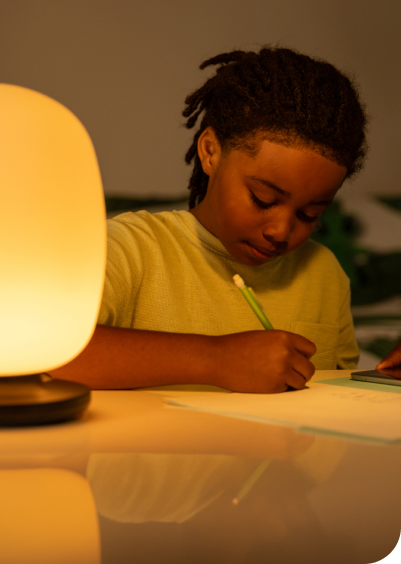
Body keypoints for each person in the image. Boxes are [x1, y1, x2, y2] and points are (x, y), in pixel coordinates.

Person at [50, 46, 384, 393]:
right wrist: (215, 359)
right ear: (210, 151)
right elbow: (44, 351)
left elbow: (337, 394)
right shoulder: (131, 250)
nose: (281, 231)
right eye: (263, 199)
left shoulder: (324, 274)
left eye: (309, 213)